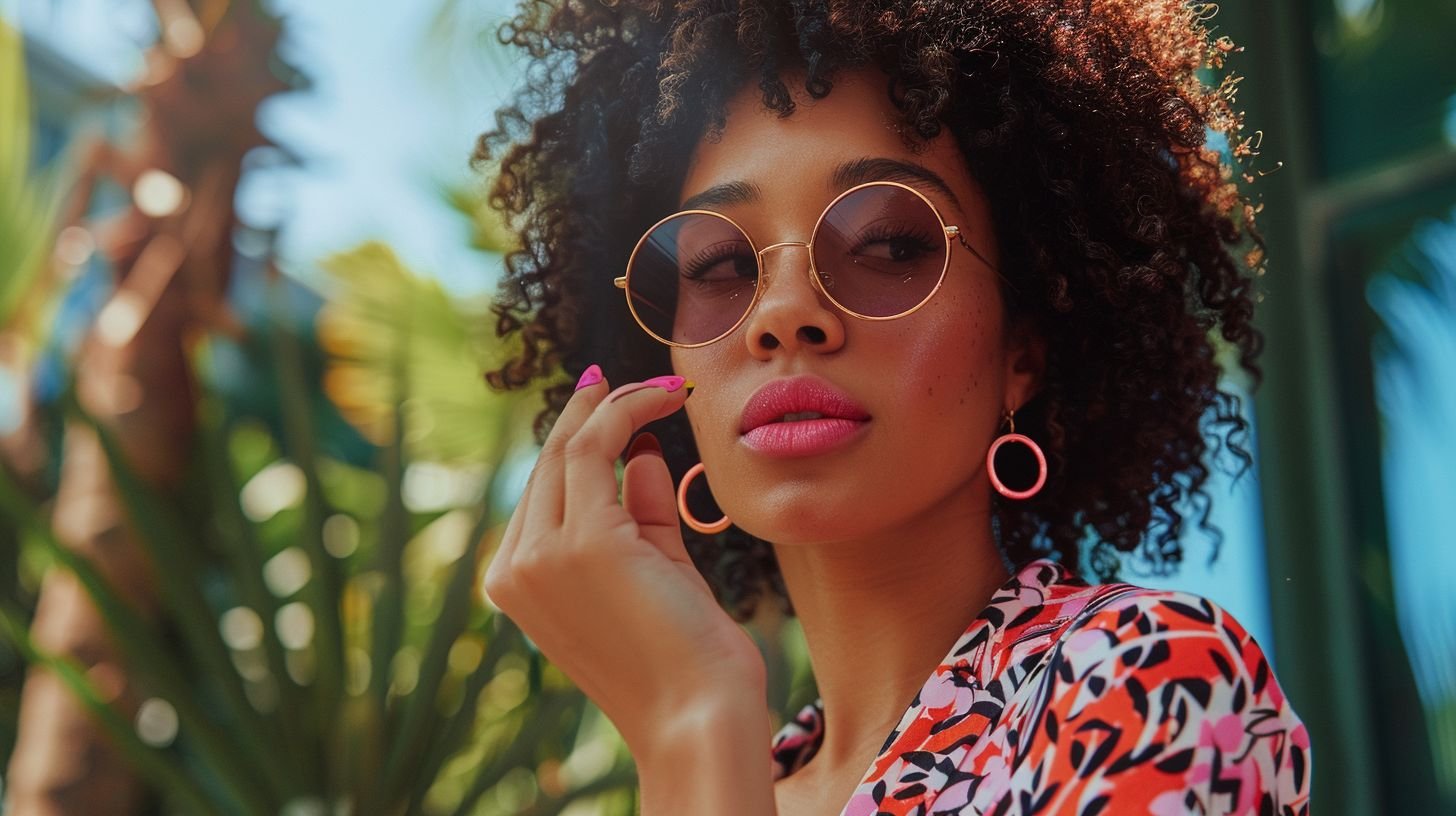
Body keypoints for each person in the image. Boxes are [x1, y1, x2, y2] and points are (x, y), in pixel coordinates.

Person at [475, 1, 1311, 814]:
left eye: (887, 244)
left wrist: (690, 725)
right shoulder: (727, 774)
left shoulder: (1142, 676)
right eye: (721, 265)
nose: (781, 312)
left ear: (1021, 354)